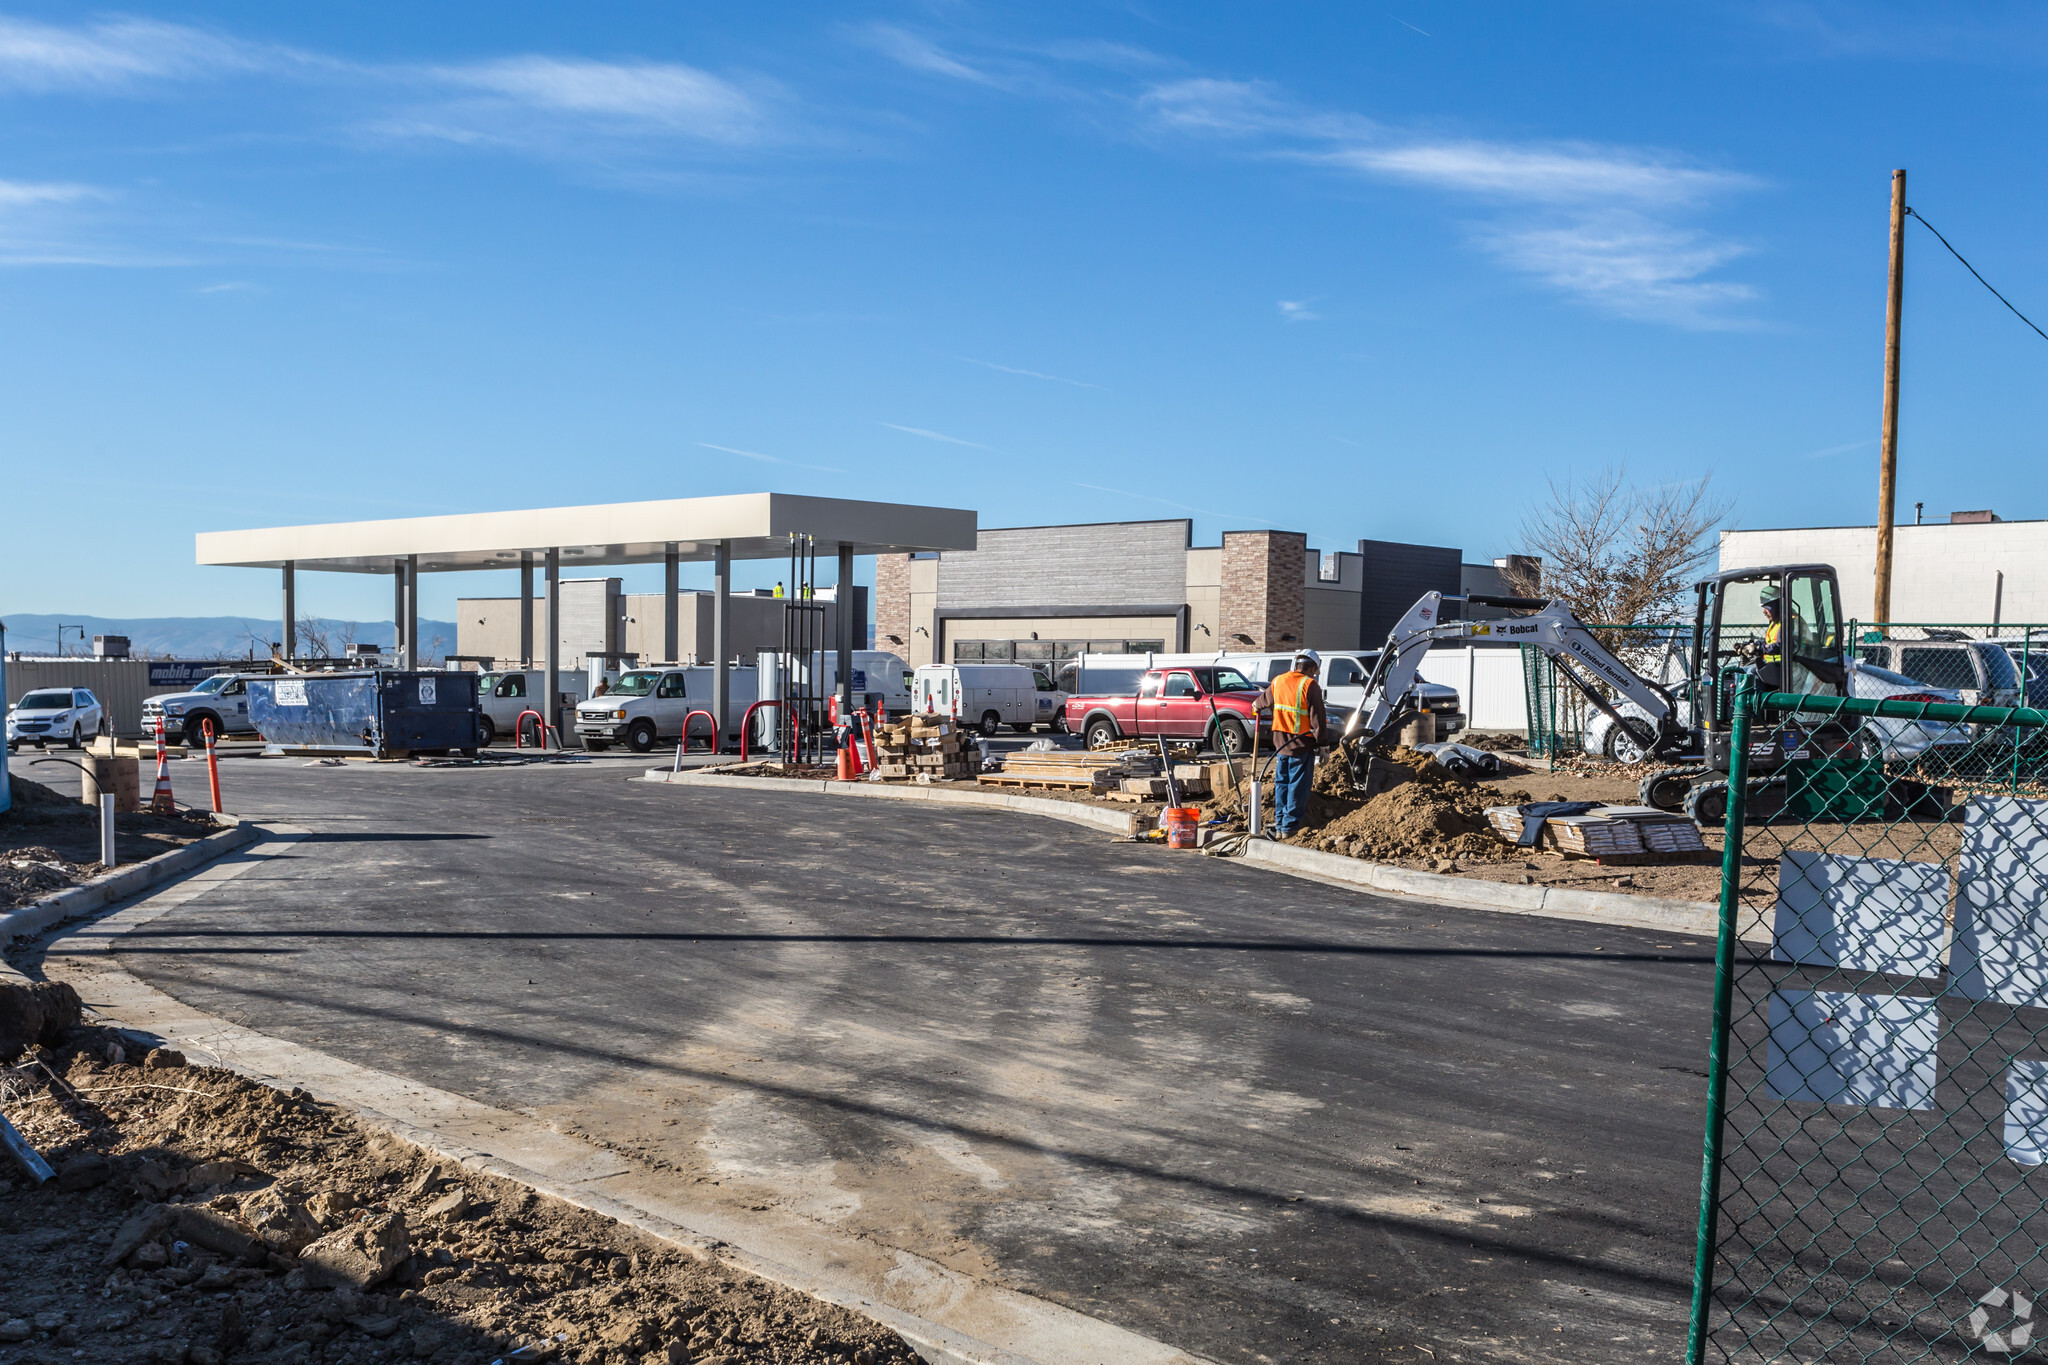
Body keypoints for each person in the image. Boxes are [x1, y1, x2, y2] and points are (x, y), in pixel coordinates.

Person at [1256, 649, 1327, 838]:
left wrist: (1256, 707)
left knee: (1282, 783)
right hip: (1301, 743)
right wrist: (1323, 745)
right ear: (1311, 667)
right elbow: (1318, 719)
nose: (1314, 674)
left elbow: (1259, 703)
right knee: (1297, 785)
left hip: (1280, 744)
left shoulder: (1278, 681)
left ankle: (1280, 823)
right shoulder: (1310, 685)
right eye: (1314, 670)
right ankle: (1289, 827)